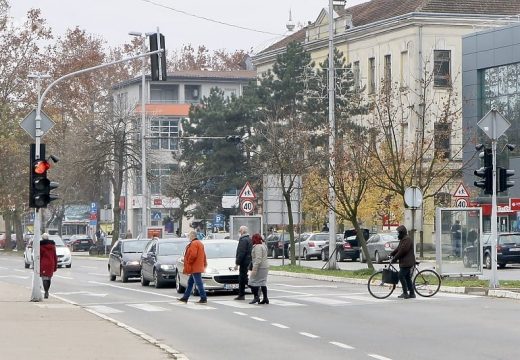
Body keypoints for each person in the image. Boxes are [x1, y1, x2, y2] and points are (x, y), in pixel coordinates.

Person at [178, 230, 208, 304]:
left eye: (189, 235)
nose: (188, 237)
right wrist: (204, 263)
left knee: (198, 282)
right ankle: (185, 297)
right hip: (198, 266)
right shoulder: (200, 243)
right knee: (190, 282)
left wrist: (189, 262)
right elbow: (204, 255)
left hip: (195, 266)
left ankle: (203, 298)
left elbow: (193, 255)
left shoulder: (194, 244)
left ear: (192, 236)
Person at [389, 225, 416, 299]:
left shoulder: (407, 240)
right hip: (405, 262)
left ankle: (405, 293)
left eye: (398, 233)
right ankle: (412, 293)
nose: (397, 235)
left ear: (402, 233)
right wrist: (391, 254)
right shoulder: (403, 239)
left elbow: (402, 251)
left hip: (407, 262)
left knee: (400, 275)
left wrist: (394, 258)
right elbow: (398, 249)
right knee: (407, 277)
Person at [248, 233, 269, 304]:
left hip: (259, 267)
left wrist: (254, 269)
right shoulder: (264, 245)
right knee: (262, 283)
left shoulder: (257, 247)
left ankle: (256, 297)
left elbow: (258, 259)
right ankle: (265, 298)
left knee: (251, 282)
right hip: (265, 266)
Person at [234, 225, 252, 300]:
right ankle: (241, 294)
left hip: (244, 262)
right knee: (243, 278)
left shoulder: (243, 240)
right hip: (248, 261)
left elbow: (241, 252)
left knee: (242, 278)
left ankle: (242, 294)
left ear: (242, 231)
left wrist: (237, 263)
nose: (239, 232)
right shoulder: (248, 239)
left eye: (239, 231)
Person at [40, 233, 58, 299]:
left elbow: (39, 257)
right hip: (51, 263)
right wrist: (55, 265)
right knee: (49, 278)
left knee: (44, 278)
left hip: (43, 264)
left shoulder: (40, 246)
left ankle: (46, 291)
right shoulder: (52, 246)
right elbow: (55, 256)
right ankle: (47, 291)